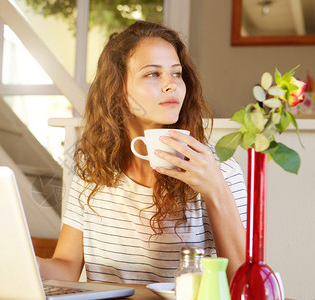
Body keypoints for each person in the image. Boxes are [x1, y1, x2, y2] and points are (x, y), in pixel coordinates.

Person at [37, 21, 246, 285]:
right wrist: (15, 257)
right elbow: (66, 267)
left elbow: (243, 283)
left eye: (177, 73)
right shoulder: (94, 168)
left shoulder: (219, 170)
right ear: (118, 92)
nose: (172, 85)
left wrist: (215, 190)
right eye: (152, 74)